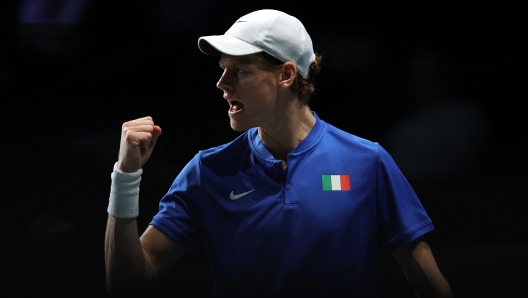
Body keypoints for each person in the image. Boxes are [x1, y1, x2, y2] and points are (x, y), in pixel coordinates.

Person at [105, 9, 453, 297]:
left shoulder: (367, 161)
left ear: (286, 75)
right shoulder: (206, 171)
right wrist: (125, 176)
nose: (222, 83)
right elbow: (128, 283)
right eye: (222, 69)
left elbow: (424, 275)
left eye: (239, 70)